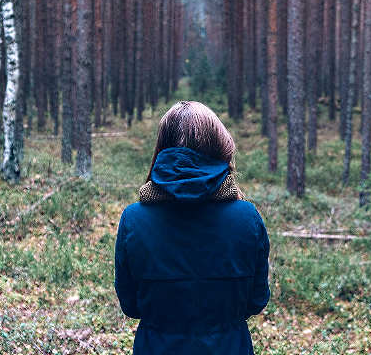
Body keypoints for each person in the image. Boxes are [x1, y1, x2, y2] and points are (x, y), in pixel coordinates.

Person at [114, 101, 271, 355]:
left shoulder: (133, 219)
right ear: (219, 147)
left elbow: (130, 306)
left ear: (162, 147)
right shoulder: (247, 217)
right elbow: (256, 301)